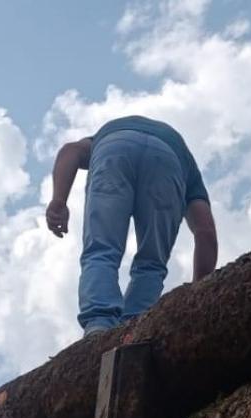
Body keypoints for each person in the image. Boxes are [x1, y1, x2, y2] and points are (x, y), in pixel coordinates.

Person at [46, 116, 218, 336]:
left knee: (101, 249)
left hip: (113, 145)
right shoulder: (189, 168)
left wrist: (59, 200)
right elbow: (205, 232)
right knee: (152, 263)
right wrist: (197, 294)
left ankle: (99, 324)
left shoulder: (103, 136)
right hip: (169, 159)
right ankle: (134, 329)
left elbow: (70, 150)